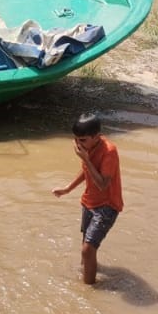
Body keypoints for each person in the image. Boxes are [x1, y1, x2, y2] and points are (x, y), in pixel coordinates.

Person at [52, 112, 123, 285]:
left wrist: (86, 159)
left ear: (96, 136)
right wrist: (68, 188)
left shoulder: (109, 151)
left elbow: (102, 184)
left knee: (87, 249)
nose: (78, 144)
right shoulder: (88, 147)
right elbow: (86, 171)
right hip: (89, 202)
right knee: (87, 247)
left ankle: (89, 289)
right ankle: (88, 274)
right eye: (75, 139)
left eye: (82, 140)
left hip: (107, 205)